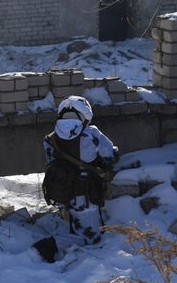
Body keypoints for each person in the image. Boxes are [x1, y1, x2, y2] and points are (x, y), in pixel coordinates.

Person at [32, 95, 118, 263]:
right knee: (90, 238)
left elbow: (53, 163)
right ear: (84, 115)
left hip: (63, 193)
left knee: (79, 227)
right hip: (86, 194)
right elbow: (110, 156)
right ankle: (44, 249)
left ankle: (62, 251)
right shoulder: (91, 133)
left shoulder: (50, 139)